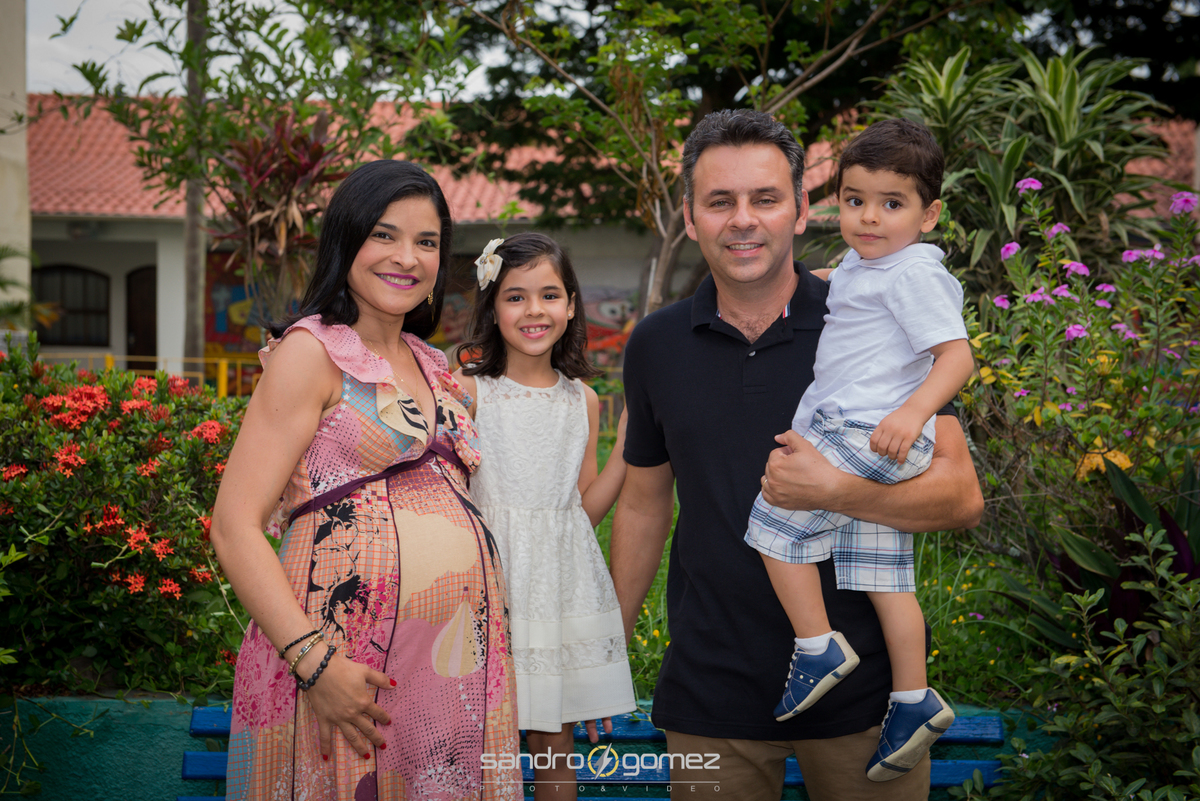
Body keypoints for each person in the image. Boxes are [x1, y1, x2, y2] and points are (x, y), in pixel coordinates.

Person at [610, 109, 983, 801]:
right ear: (690, 217)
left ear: (801, 210)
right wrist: (608, 650)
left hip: (868, 705)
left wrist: (836, 491)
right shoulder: (656, 344)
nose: (743, 219)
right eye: (720, 201)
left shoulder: (872, 321)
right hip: (708, 696)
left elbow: (961, 496)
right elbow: (641, 501)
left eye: (765, 198)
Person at [211, 159, 522, 801]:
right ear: (345, 240)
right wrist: (314, 663)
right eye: (384, 234)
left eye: (427, 241)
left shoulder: (435, 367)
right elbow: (234, 526)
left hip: (445, 678)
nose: (406, 257)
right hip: (338, 673)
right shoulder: (311, 353)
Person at [743, 118, 973, 781]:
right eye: (854, 200)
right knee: (880, 574)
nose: (868, 217)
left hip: (866, 429)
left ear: (929, 215)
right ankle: (912, 696)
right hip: (873, 435)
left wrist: (912, 411)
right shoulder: (866, 263)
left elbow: (957, 356)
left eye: (891, 204)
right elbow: (851, 293)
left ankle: (816, 646)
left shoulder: (913, 275)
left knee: (773, 523)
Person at [454, 232, 637, 801]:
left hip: (557, 590)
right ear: (492, 306)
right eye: (515, 296)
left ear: (572, 304)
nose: (534, 310)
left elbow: (581, 510)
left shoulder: (582, 399)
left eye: (549, 295)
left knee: (552, 744)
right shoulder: (468, 392)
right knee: (479, 744)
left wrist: (632, 439)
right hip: (486, 585)